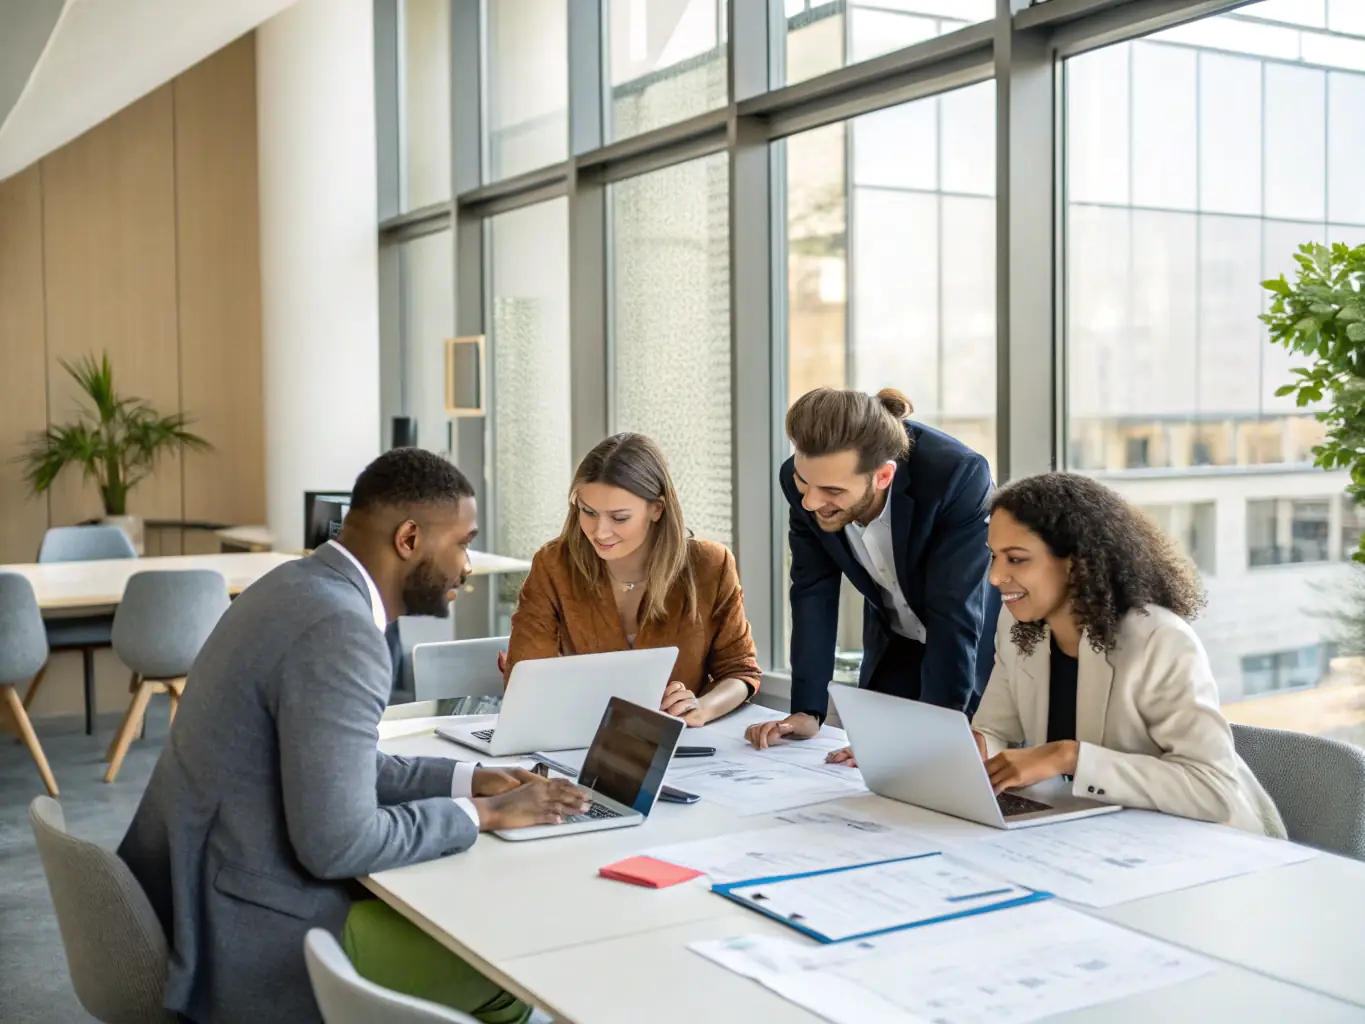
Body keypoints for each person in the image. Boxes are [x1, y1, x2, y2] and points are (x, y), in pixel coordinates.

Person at [118, 448, 589, 1024]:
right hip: (253, 942)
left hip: (196, 894)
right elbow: (338, 844)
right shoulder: (342, 631)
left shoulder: (294, 584)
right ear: (410, 538)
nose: (467, 568)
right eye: (463, 543)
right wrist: (483, 815)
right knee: (513, 970)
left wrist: (470, 778)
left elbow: (340, 762)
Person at [972, 472, 1286, 837]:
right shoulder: (1017, 629)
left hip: (1205, 844)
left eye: (1016, 559)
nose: (995, 577)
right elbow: (995, 728)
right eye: (994, 557)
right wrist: (977, 748)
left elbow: (1213, 788)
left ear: (1075, 561)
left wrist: (1070, 757)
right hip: (1100, 836)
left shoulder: (1160, 640)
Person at [747, 387, 998, 754]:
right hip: (894, 644)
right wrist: (806, 710)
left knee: (952, 774)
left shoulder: (956, 477)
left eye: (831, 490)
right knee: (871, 768)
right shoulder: (800, 482)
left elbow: (954, 613)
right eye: (804, 482)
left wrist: (931, 737)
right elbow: (811, 590)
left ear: (883, 477)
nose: (811, 501)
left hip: (973, 650)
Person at [504, 432, 761, 725]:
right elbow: (524, 680)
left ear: (657, 508)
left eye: (619, 518)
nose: (600, 532)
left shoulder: (710, 566)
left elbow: (740, 671)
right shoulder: (553, 565)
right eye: (588, 512)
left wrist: (702, 708)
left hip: (683, 748)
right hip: (580, 740)